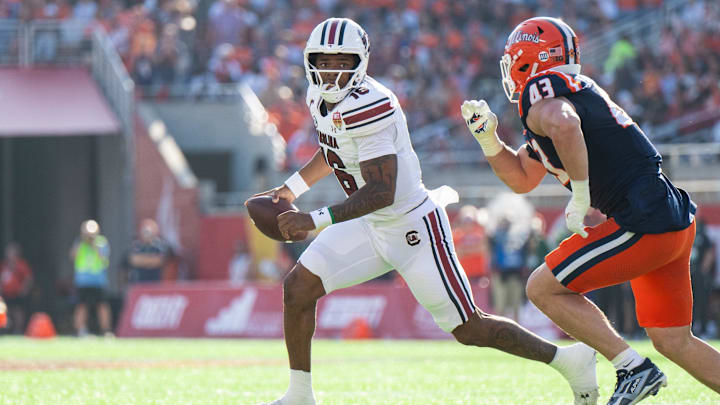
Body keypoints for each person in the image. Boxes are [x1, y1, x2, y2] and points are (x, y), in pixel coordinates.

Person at [251, 17, 598, 405]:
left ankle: (569, 360)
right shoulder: (319, 97)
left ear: (360, 62)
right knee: (298, 289)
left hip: (411, 225)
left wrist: (313, 221)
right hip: (368, 224)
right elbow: (333, 149)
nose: (331, 71)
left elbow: (382, 191)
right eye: (323, 61)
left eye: (341, 61)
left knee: (470, 328)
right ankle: (299, 396)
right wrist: (291, 187)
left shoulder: (372, 104)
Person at [461, 16, 720, 404]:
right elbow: (522, 177)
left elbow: (565, 125)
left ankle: (632, 368)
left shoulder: (540, 91)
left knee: (542, 288)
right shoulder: (570, 93)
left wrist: (579, 196)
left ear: (528, 60)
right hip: (669, 217)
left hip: (643, 219)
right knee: (672, 338)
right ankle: (635, 365)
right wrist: (488, 139)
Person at [70, 219, 113, 336]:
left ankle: (105, 330)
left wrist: (94, 244)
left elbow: (103, 257)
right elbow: (73, 256)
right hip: (83, 281)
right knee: (81, 306)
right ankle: (80, 330)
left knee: (102, 306)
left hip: (98, 281)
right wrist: (82, 240)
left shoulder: (101, 242)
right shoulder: (79, 243)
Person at [0, 242, 33, 334]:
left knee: (18, 311)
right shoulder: (4, 265)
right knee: (6, 311)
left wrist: (24, 289)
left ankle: (18, 329)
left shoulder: (21, 265)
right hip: (6, 293)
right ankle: (6, 329)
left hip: (17, 293)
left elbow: (28, 278)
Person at [127, 219, 172, 284]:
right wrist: (150, 260)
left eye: (148, 232)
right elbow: (133, 260)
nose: (146, 235)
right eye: (144, 231)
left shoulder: (160, 246)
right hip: (139, 284)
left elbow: (159, 261)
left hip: (155, 284)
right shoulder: (136, 246)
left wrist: (142, 261)